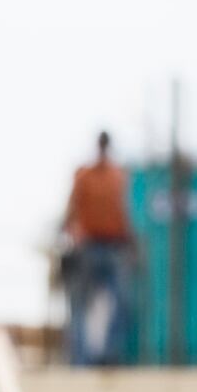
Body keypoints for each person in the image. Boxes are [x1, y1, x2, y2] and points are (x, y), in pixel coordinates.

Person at [60, 131, 138, 366]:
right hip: (88, 247)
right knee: (79, 305)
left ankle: (108, 354)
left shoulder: (118, 176)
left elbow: (124, 212)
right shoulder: (84, 175)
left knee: (123, 301)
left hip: (114, 247)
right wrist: (72, 235)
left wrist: (131, 243)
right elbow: (72, 209)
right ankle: (80, 360)